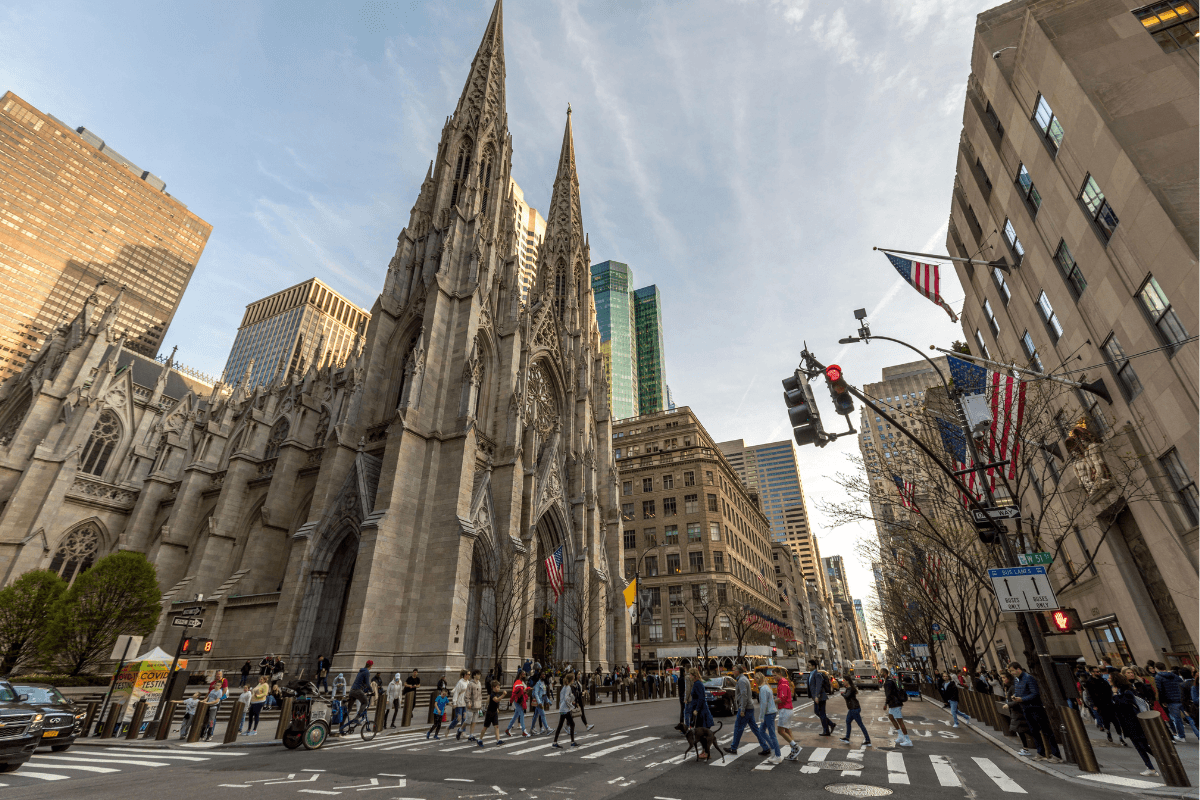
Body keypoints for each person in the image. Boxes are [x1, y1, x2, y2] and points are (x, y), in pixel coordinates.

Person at [1007, 662, 1061, 763]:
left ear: (1018, 669)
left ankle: (1056, 755)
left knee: (1046, 731)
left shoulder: (1028, 678)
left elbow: (1035, 693)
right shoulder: (1017, 680)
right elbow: (1019, 692)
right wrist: (1015, 696)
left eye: (1012, 671)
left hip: (1035, 708)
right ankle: (1041, 753)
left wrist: (1022, 699)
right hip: (1026, 708)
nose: (1011, 673)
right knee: (1034, 731)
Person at [1112, 672, 1160, 776]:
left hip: (1133, 722)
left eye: (1110, 678)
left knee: (1142, 745)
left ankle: (1160, 761)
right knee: (1140, 746)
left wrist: (1115, 695)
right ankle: (1151, 767)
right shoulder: (1123, 690)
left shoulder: (1126, 691)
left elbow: (1124, 704)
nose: (1108, 679)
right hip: (1129, 722)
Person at [728, 664, 770, 756]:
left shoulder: (742, 680)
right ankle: (765, 747)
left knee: (738, 728)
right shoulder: (743, 679)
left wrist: (742, 709)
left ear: (738, 671)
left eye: (734, 670)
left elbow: (744, 695)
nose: (733, 672)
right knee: (755, 729)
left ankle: (733, 748)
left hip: (745, 708)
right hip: (749, 707)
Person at [1084, 666, 1123, 745]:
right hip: (1100, 704)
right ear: (1092, 673)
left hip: (1109, 703)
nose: (1098, 673)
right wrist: (1093, 705)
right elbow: (1089, 694)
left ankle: (1120, 737)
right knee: (1106, 720)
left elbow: (1109, 690)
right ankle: (1108, 732)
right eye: (1096, 672)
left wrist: (1112, 699)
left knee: (1115, 720)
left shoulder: (1103, 680)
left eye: (1098, 671)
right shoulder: (1089, 682)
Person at [1154, 661, 1192, 742]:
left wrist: (1162, 701)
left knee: (1177, 719)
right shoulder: (1174, 675)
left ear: (1156, 668)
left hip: (1171, 700)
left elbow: (1160, 690)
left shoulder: (1158, 677)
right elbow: (1181, 683)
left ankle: (1181, 736)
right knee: (1189, 717)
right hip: (1180, 698)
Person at [1000, 673, 1035, 755]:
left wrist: (1009, 704)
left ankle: (1027, 748)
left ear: (1009, 678)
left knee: (1024, 730)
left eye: (1004, 677)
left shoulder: (1013, 687)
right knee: (1021, 730)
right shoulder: (1010, 687)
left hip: (1019, 712)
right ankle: (1026, 748)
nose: (1003, 679)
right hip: (1017, 712)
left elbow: (1017, 700)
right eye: (1002, 678)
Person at [683, 667, 713, 753]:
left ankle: (706, 751)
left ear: (694, 675)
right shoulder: (696, 683)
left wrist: (697, 709)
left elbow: (701, 698)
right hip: (700, 711)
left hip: (701, 713)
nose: (689, 676)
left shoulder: (698, 684)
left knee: (701, 733)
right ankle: (705, 751)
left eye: (690, 674)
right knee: (701, 733)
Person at [755, 673, 782, 764]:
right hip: (770, 712)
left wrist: (761, 716)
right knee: (762, 731)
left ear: (760, 679)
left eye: (756, 678)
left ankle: (777, 755)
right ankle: (774, 751)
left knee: (772, 735)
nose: (755, 680)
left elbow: (764, 704)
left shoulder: (763, 689)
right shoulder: (766, 687)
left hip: (768, 713)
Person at [773, 668, 800, 760]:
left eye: (775, 675)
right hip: (787, 709)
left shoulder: (783, 684)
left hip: (785, 709)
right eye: (773, 675)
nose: (773, 677)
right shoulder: (783, 683)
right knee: (788, 731)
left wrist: (772, 701)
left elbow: (782, 698)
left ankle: (795, 747)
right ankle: (794, 753)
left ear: (779, 674)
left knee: (780, 731)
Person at [342, 660, 374, 734]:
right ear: (371, 666)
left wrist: (365, 690)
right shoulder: (367, 672)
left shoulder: (361, 671)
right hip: (357, 691)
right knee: (365, 702)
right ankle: (357, 718)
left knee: (349, 709)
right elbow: (367, 684)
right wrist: (372, 691)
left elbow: (362, 683)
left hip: (352, 690)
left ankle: (341, 726)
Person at [881, 668, 912, 747]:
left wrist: (885, 704)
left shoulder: (888, 682)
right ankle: (901, 736)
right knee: (891, 717)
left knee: (900, 721)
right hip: (894, 703)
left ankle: (908, 740)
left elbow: (888, 694)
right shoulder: (889, 680)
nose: (880, 673)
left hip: (895, 704)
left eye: (881, 672)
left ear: (884, 673)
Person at [839, 673, 871, 747]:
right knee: (848, 721)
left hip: (854, 709)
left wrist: (842, 694)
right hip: (852, 709)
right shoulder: (849, 688)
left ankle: (868, 740)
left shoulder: (850, 688)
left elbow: (847, 696)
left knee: (860, 724)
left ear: (847, 681)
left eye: (844, 680)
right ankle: (847, 738)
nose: (843, 682)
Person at [808, 661, 835, 736]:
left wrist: (817, 696)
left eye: (809, 665)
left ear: (813, 666)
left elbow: (818, 685)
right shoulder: (811, 674)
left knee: (821, 713)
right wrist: (812, 696)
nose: (808, 666)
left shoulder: (817, 674)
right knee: (817, 712)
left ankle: (826, 730)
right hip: (816, 697)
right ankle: (831, 725)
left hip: (820, 697)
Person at [478, 679, 507, 747]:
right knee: (485, 727)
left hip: (494, 712)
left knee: (496, 726)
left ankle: (498, 740)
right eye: (497, 687)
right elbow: (496, 700)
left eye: (499, 687)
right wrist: (503, 695)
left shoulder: (497, 693)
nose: (499, 688)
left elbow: (496, 702)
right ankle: (480, 739)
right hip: (489, 713)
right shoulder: (492, 694)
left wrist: (497, 708)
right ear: (493, 687)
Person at [552, 674, 579, 748]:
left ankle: (555, 742)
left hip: (562, 708)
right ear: (571, 680)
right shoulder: (568, 687)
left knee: (560, 725)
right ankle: (572, 742)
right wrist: (571, 703)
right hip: (566, 709)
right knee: (572, 724)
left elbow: (562, 698)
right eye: (573, 679)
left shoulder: (564, 687)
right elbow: (567, 698)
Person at [505, 672, 529, 737]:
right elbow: (515, 692)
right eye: (523, 674)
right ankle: (524, 731)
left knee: (516, 716)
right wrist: (511, 701)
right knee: (521, 714)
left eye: (525, 674)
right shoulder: (518, 682)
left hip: (520, 700)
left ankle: (508, 729)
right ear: (520, 675)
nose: (525, 676)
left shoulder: (521, 682)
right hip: (518, 700)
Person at [463, 670, 483, 742]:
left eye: (480, 674)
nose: (479, 676)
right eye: (478, 674)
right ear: (474, 675)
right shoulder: (470, 684)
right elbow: (467, 695)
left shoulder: (479, 683)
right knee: (468, 720)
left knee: (474, 721)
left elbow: (480, 695)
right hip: (471, 705)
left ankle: (471, 735)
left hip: (477, 705)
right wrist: (468, 702)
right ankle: (460, 729)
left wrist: (480, 704)